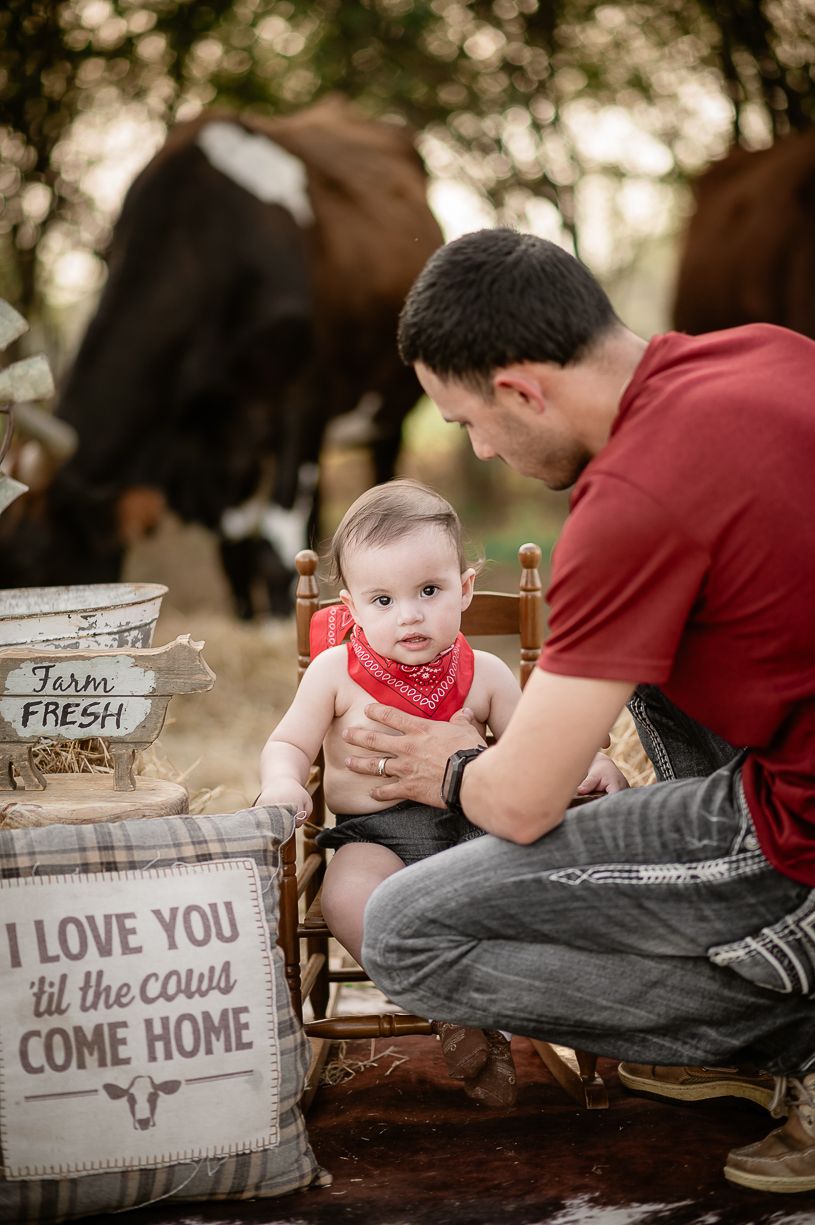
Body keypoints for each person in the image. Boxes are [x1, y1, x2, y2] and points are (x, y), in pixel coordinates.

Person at [337, 229, 815, 1193]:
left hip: (797, 820)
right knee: (645, 652)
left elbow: (518, 804)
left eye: (470, 422)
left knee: (400, 931)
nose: (480, 448)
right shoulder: (769, 353)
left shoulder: (632, 500)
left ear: (521, 390)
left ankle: (793, 1038)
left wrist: (446, 765)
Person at [257, 477, 627, 1106]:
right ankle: (449, 1005)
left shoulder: (485, 674)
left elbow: (537, 745)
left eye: (429, 591)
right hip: (374, 838)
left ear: (466, 588)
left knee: (532, 886)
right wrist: (282, 781)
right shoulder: (334, 673)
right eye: (382, 599)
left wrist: (590, 762)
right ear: (351, 607)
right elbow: (288, 742)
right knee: (347, 897)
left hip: (472, 826)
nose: (409, 615)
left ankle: (488, 996)